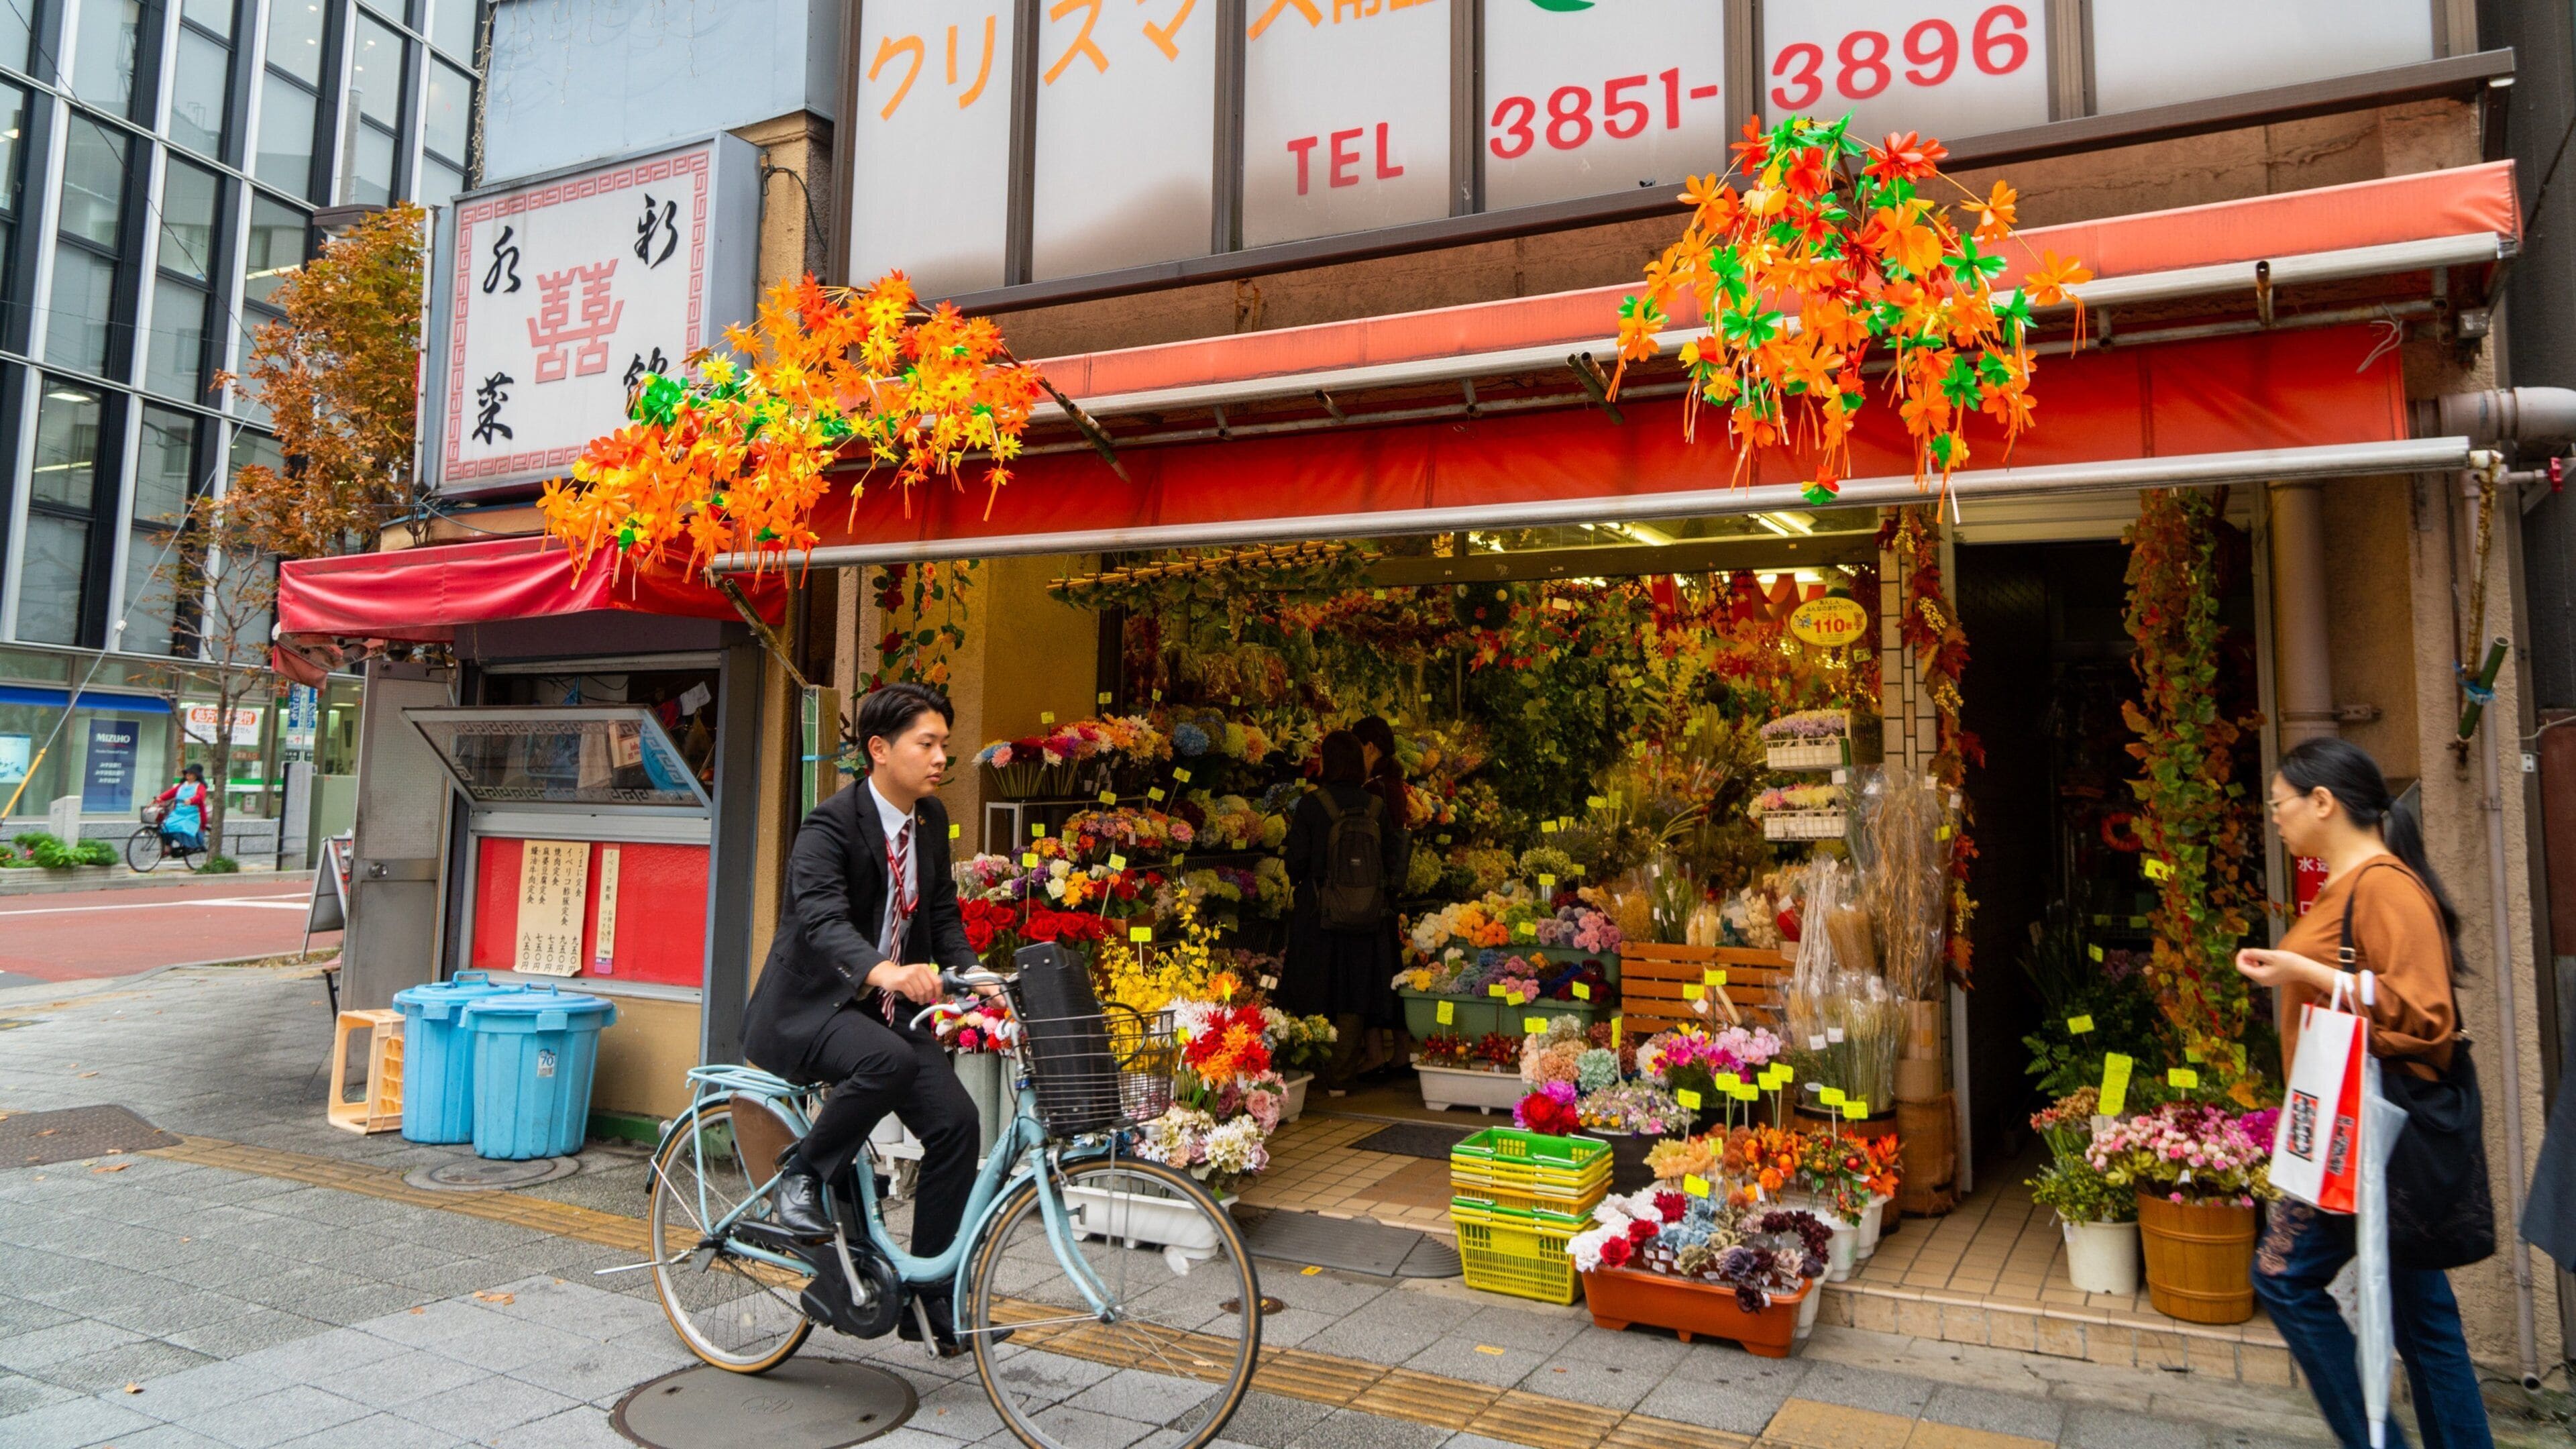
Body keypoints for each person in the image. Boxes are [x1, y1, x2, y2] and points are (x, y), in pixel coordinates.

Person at [2233, 737, 2492, 1449]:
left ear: (2324, 802)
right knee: (2424, 1320)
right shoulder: (2356, 884)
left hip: (2371, 1134)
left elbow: (2428, 1012)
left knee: (2284, 1278)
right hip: (2367, 1129)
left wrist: (2304, 971)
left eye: (2280, 804)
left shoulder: (2383, 884)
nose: (2276, 817)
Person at [743, 682, 985, 1352]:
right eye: (926, 743)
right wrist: (885, 971)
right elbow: (820, 921)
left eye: (944, 743)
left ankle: (929, 1299)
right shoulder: (830, 825)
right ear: (879, 750)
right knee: (889, 1059)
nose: (941, 756)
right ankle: (800, 1177)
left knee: (958, 1124)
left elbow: (940, 916)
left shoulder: (928, 822)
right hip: (814, 1007)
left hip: (886, 1013)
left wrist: (977, 978)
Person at [1279, 730, 1407, 1093]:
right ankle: (1341, 1077)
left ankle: (1306, 1073)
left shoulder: (1311, 805)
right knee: (1353, 994)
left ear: (1329, 762)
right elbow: (1390, 862)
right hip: (1365, 917)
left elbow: (1297, 863)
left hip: (1318, 912)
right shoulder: (1376, 807)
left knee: (1311, 987)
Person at [155, 765, 208, 851]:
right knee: (165, 826)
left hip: (191, 814)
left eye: (191, 773)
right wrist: (161, 798)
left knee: (182, 827)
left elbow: (200, 797)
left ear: (196, 775)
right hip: (178, 813)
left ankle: (193, 846)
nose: (188, 775)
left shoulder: (200, 786)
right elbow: (171, 793)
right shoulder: (182, 786)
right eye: (187, 773)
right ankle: (168, 846)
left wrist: (191, 800)